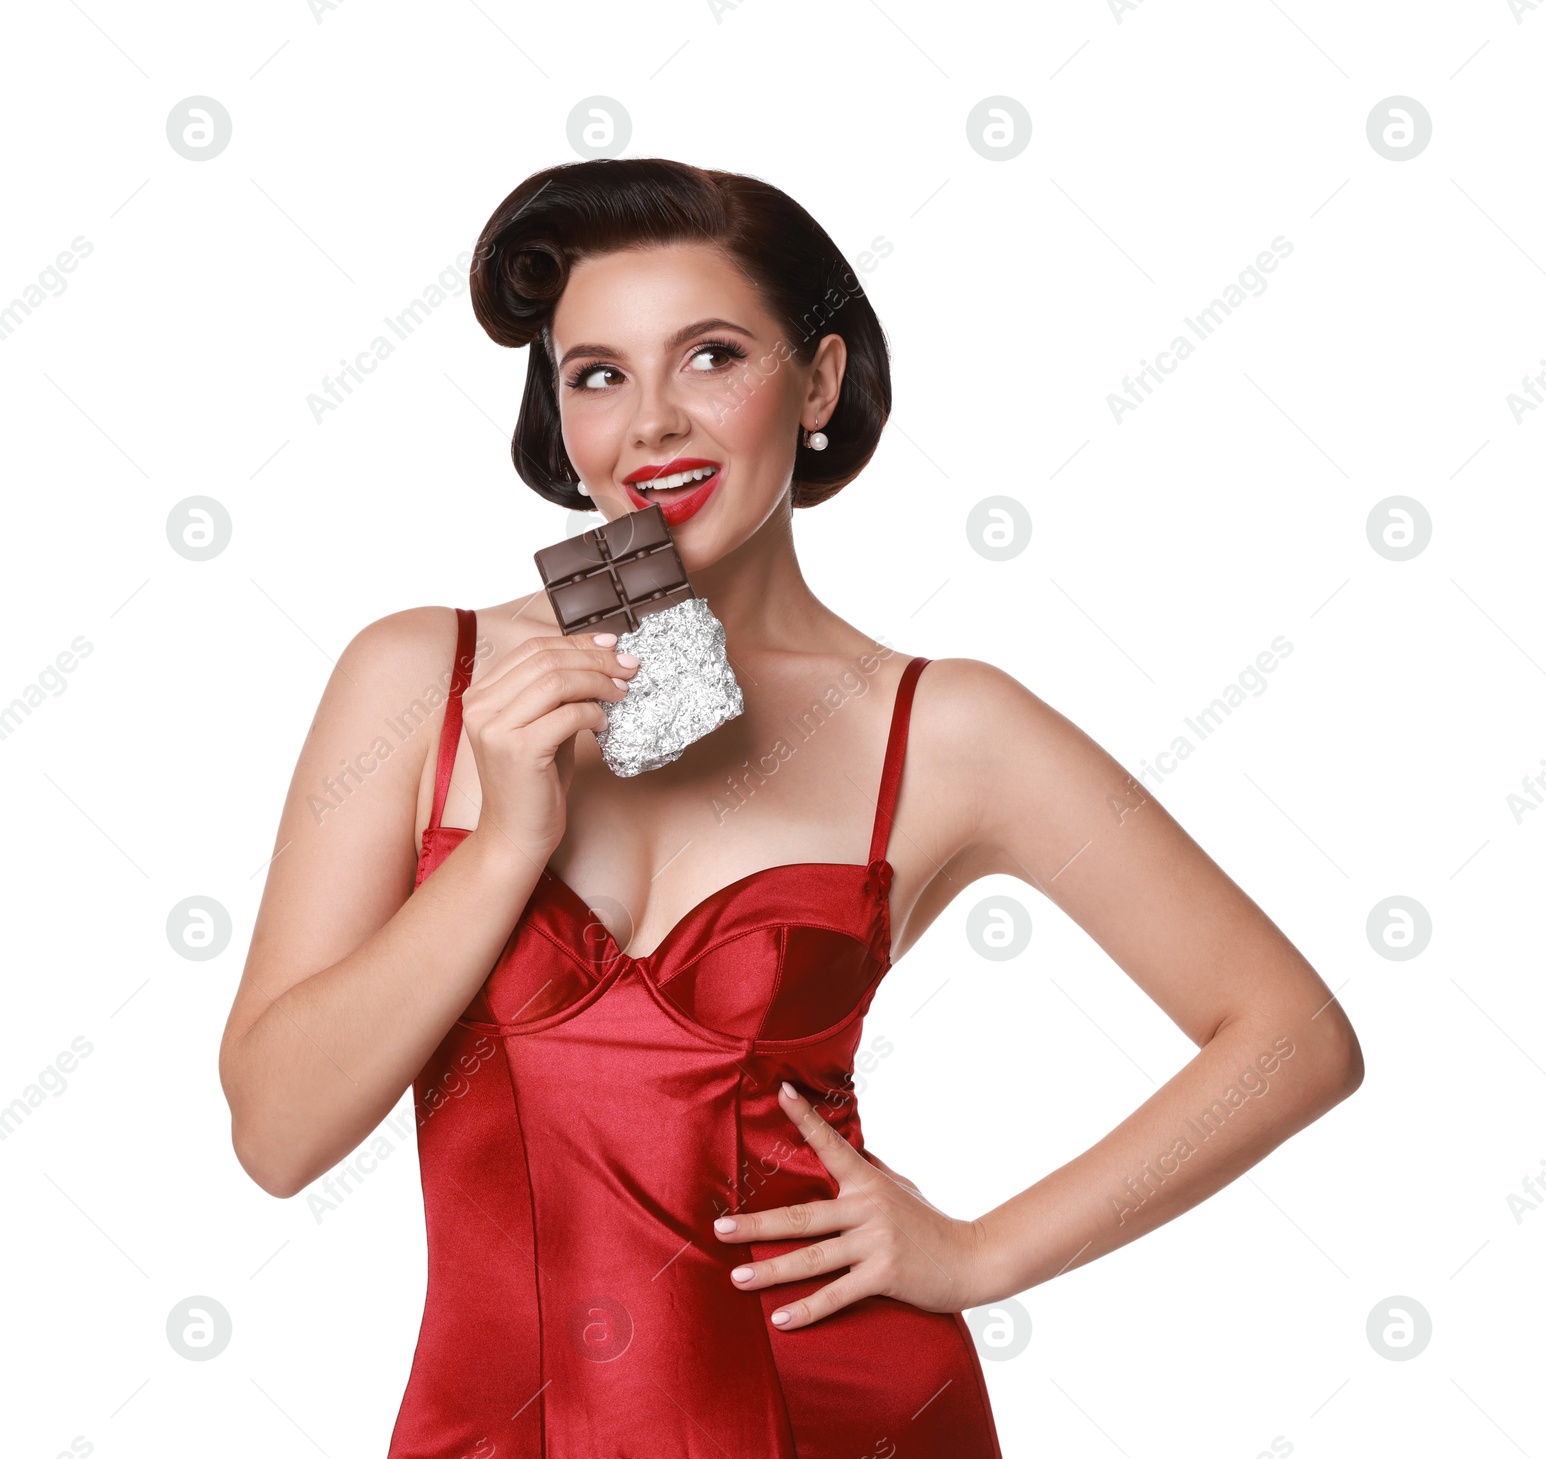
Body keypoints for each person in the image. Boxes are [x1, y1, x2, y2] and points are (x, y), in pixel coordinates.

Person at [218, 157, 1364, 1458]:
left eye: (710, 358)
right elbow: (277, 1130)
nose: (650, 424)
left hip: (836, 1409)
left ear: (816, 382)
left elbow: (1292, 1037)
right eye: (598, 374)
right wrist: (505, 849)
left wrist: (978, 1252)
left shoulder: (941, 729)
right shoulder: (424, 679)